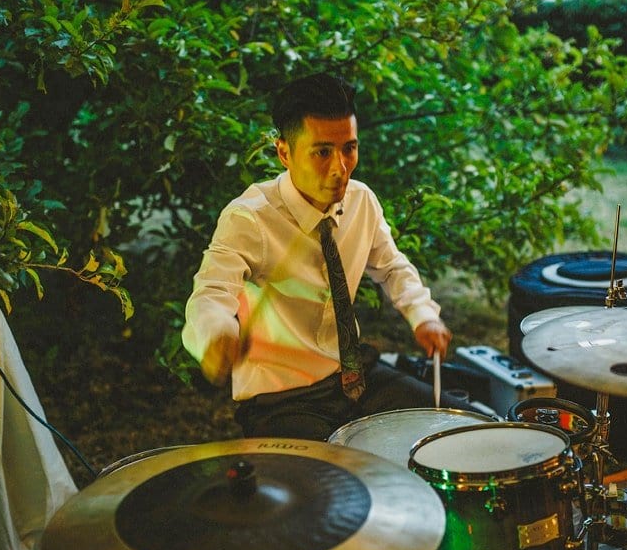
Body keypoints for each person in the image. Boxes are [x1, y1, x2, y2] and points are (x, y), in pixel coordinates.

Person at [182, 72, 477, 440]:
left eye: (349, 149)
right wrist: (216, 335)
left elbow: (392, 267)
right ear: (284, 152)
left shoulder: (361, 200)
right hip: (284, 398)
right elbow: (210, 293)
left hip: (356, 376)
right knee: (336, 482)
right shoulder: (249, 218)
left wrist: (422, 316)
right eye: (322, 152)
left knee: (464, 430)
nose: (340, 168)